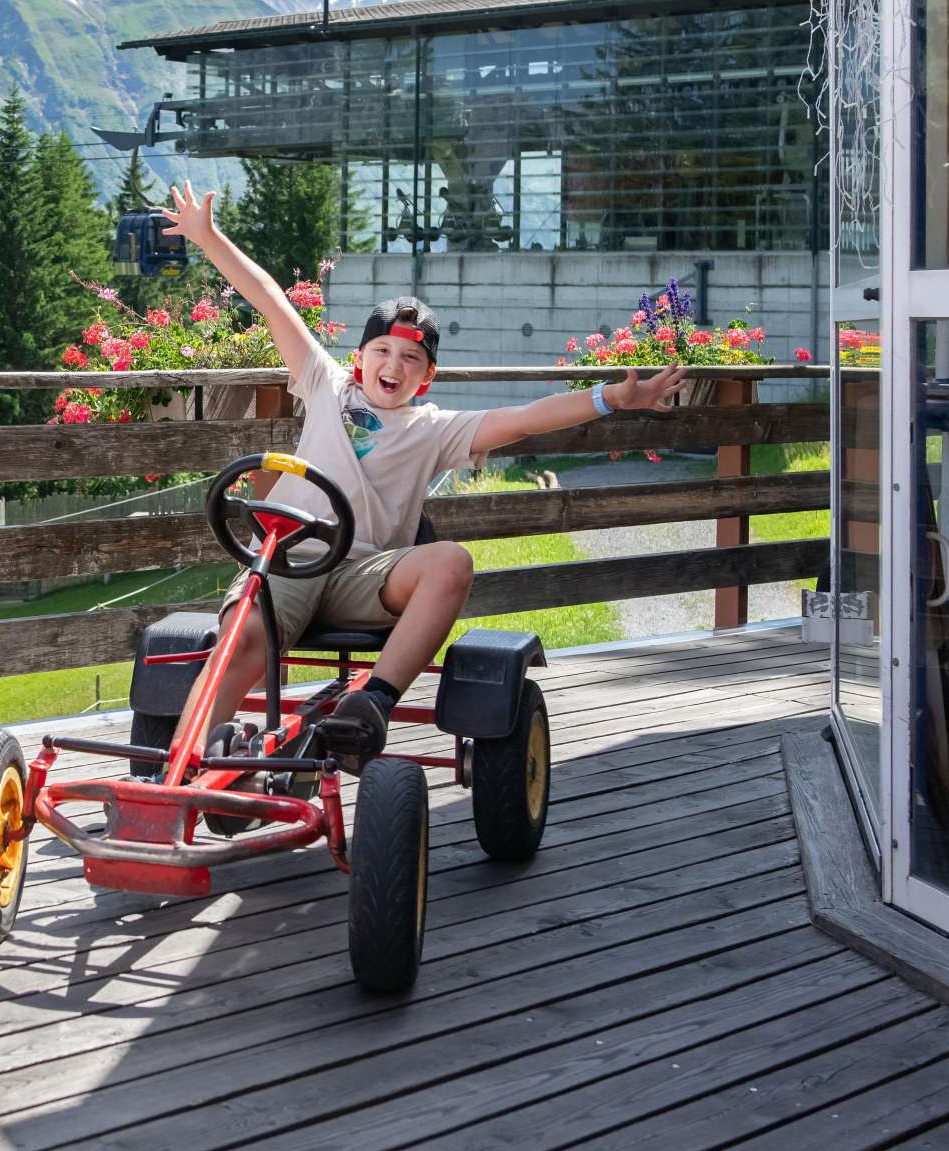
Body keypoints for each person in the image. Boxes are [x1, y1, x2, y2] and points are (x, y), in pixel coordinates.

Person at [158, 182, 686, 763]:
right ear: (360, 359)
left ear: (426, 377)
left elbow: (525, 419)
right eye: (383, 351)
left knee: (451, 561)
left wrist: (611, 398)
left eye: (411, 358)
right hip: (288, 559)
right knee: (242, 643)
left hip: (366, 575)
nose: (394, 365)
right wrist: (208, 237)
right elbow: (269, 300)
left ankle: (371, 703)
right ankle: (187, 769)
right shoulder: (325, 383)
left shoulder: (434, 428)